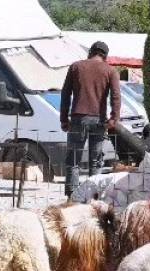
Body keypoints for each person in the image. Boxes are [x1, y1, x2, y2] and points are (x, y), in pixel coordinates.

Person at [60, 40, 121, 197]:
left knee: (73, 161)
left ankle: (72, 196)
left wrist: (64, 119)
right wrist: (114, 119)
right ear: (105, 56)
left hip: (78, 118)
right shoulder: (110, 71)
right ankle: (93, 196)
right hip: (99, 121)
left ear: (91, 52)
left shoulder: (76, 67)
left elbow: (65, 94)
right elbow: (116, 96)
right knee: (96, 161)